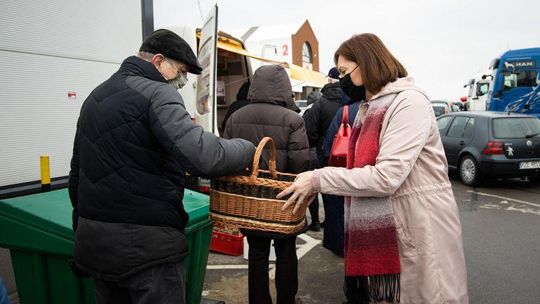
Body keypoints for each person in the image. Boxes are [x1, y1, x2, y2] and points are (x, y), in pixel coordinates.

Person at [68, 29, 255, 304]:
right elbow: (203, 155)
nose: (181, 81)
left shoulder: (96, 96)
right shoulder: (157, 93)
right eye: (179, 71)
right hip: (147, 249)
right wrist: (246, 149)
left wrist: (84, 227)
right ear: (157, 61)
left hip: (96, 245)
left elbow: (77, 173)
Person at [278, 33, 468, 303]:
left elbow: (386, 177)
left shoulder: (408, 103)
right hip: (397, 224)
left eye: (345, 71)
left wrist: (318, 179)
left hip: (419, 225)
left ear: (366, 64)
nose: (341, 79)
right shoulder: (371, 106)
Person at [224, 64, 309, 304]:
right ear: (285, 88)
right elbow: (300, 160)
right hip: (284, 196)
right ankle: (287, 300)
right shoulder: (293, 119)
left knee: (257, 253)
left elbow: (227, 154)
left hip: (249, 197)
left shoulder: (236, 117)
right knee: (286, 251)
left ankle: (258, 300)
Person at [319, 95, 362, 257]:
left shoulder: (345, 111)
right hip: (372, 173)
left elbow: (328, 146)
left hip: (343, 169)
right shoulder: (385, 109)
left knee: (339, 211)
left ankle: (341, 247)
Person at [302, 68, 344, 231]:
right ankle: (340, 225)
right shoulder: (351, 101)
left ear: (330, 80)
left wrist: (318, 144)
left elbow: (310, 132)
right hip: (349, 154)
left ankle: (325, 223)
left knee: (325, 187)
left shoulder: (321, 103)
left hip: (325, 153)